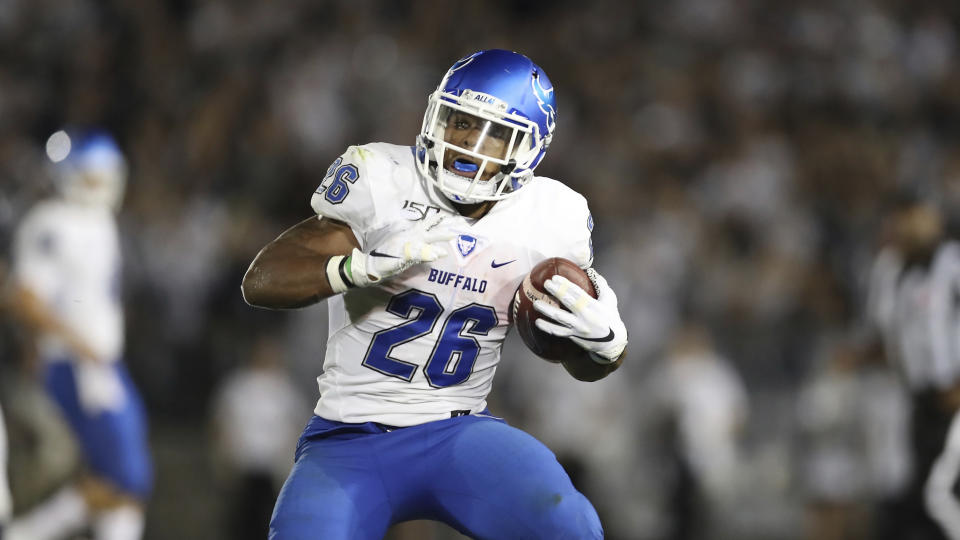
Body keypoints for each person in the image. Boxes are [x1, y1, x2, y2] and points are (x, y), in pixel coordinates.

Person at [242, 49, 629, 539]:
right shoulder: (382, 178)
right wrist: (354, 268)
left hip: (459, 433)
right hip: (348, 437)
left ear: (529, 148)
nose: (468, 141)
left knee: (567, 524)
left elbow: (582, 366)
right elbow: (262, 280)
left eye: (492, 132)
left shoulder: (553, 218)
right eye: (460, 121)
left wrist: (607, 345)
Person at [4, 129, 152, 540]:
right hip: (80, 364)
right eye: (91, 177)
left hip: (100, 363)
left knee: (117, 482)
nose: (102, 187)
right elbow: (24, 297)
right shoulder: (53, 221)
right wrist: (76, 343)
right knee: (129, 477)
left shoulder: (99, 220)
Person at [865, 197, 960, 540]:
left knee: (945, 493)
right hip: (919, 398)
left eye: (918, 219)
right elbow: (888, 335)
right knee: (926, 493)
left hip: (954, 395)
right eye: (903, 221)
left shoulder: (953, 262)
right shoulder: (894, 272)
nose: (911, 229)